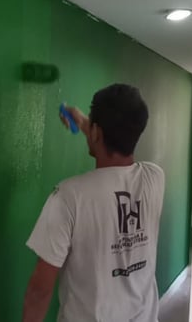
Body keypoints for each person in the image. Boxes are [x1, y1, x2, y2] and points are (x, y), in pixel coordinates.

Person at [22, 83, 165, 322]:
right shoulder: (155, 178)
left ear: (96, 132)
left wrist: (92, 126)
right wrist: (87, 123)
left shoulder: (68, 196)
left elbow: (40, 291)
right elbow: (119, 138)